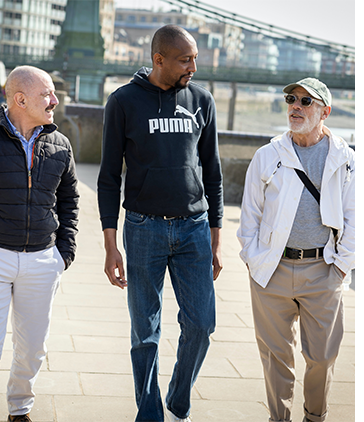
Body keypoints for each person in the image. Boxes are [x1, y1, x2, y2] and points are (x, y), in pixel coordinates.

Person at [97, 25, 223, 422]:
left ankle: (178, 402)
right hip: (143, 228)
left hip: (194, 230)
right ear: (159, 59)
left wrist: (216, 239)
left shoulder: (202, 100)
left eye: (195, 58)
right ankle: (149, 413)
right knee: (144, 333)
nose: (193, 67)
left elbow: (214, 173)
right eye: (186, 60)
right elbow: (107, 176)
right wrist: (109, 243)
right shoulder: (123, 102)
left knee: (202, 324)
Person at [237, 78, 355, 422]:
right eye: (292, 99)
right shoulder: (267, 156)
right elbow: (250, 215)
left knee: (322, 357)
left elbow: (356, 215)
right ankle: (279, 417)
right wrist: (253, 259)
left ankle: (314, 416)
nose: (296, 106)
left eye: (306, 101)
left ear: (325, 112)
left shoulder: (346, 160)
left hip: (323, 269)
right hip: (271, 272)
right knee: (276, 356)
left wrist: (342, 267)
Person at [0, 66, 79, 422]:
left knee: (32, 349)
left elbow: (70, 202)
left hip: (43, 260)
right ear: (20, 99)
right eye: (47, 93)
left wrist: (63, 254)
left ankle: (20, 410)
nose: (55, 100)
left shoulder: (60, 144)